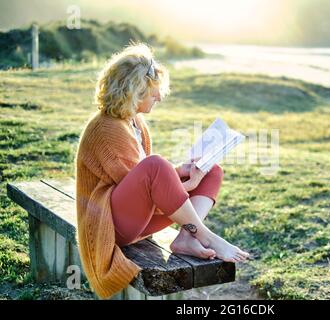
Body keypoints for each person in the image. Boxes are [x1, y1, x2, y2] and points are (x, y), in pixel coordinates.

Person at [75, 43, 249, 298]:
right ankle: (206, 237)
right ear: (133, 91)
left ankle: (187, 239)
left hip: (136, 217)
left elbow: (142, 182)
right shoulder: (107, 128)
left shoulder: (135, 122)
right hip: (112, 225)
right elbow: (144, 187)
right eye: (153, 92)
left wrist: (182, 172)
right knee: (157, 164)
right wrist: (185, 185)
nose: (159, 97)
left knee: (211, 170)